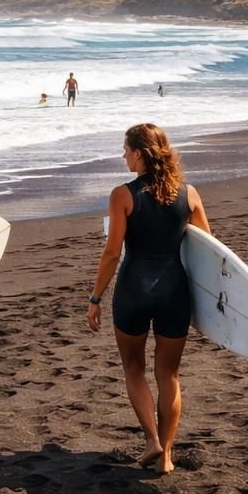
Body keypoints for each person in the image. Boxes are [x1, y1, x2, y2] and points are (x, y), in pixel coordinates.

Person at [87, 124, 210, 475]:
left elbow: (112, 253)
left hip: (133, 291)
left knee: (133, 368)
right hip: (174, 291)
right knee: (169, 374)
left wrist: (95, 297)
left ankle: (152, 441)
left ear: (139, 153)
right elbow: (207, 251)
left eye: (125, 149)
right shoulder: (190, 194)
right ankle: (167, 457)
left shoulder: (122, 195)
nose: (123, 155)